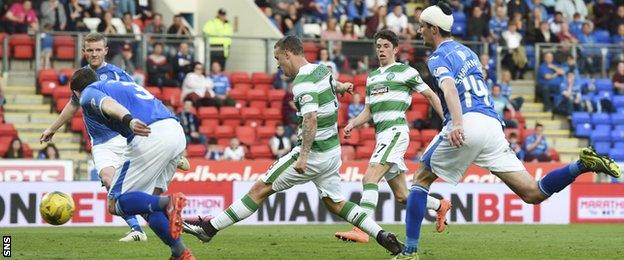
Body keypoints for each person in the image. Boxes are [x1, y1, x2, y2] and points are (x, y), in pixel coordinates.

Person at [397, 3, 621, 259]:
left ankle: (409, 251)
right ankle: (581, 165)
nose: (419, 31)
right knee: (533, 192)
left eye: (423, 27)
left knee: (420, 181)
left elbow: (448, 88)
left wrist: (457, 123)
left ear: (434, 29)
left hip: (468, 122)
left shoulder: (437, 57)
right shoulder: (468, 52)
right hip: (492, 125)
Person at [187, 35, 404, 256]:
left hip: (312, 154)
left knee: (260, 189)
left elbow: (310, 118)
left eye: (278, 58)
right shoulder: (321, 70)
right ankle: (382, 235)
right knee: (335, 203)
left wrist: (303, 156)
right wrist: (343, 86)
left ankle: (209, 228)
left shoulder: (302, 82)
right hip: (331, 153)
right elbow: (331, 83)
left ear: (288, 54)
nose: (278, 65)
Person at [40, 32, 190, 243]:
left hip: (125, 136)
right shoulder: (81, 79)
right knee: (110, 181)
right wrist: (52, 128)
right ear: (84, 52)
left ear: (105, 51)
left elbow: (135, 99)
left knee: (130, 194)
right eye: (90, 50)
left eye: (98, 50)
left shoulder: (118, 74)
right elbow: (73, 105)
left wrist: (148, 133)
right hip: (102, 142)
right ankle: (139, 229)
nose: (94, 54)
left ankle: (173, 223)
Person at [334, 29, 451, 243]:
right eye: (378, 46)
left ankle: (361, 229)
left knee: (370, 178)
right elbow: (368, 111)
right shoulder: (372, 77)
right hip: (383, 136)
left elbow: (431, 95)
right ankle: (439, 205)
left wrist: (448, 120)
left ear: (395, 49)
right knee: (403, 196)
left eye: (386, 46)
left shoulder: (405, 72)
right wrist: (353, 123)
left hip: (396, 133)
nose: (381, 50)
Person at [69, 67, 193, 259]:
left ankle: (168, 203)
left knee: (115, 203)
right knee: (145, 202)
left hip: (148, 134)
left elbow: (109, 105)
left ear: (76, 92)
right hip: (175, 130)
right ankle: (180, 252)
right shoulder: (121, 83)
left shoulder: (88, 93)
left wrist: (129, 120)